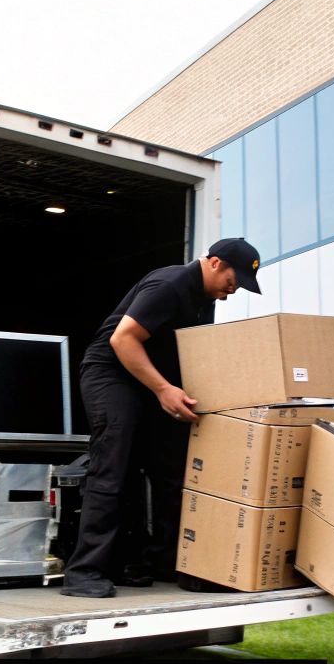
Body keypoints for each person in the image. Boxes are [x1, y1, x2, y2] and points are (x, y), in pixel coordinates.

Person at [60, 239, 261, 599]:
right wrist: (164, 390)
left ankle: (166, 560)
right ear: (215, 262)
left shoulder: (205, 300)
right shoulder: (169, 284)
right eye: (234, 279)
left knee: (173, 469)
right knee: (114, 465)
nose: (234, 289)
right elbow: (124, 340)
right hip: (112, 373)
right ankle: (85, 571)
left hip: (154, 382)